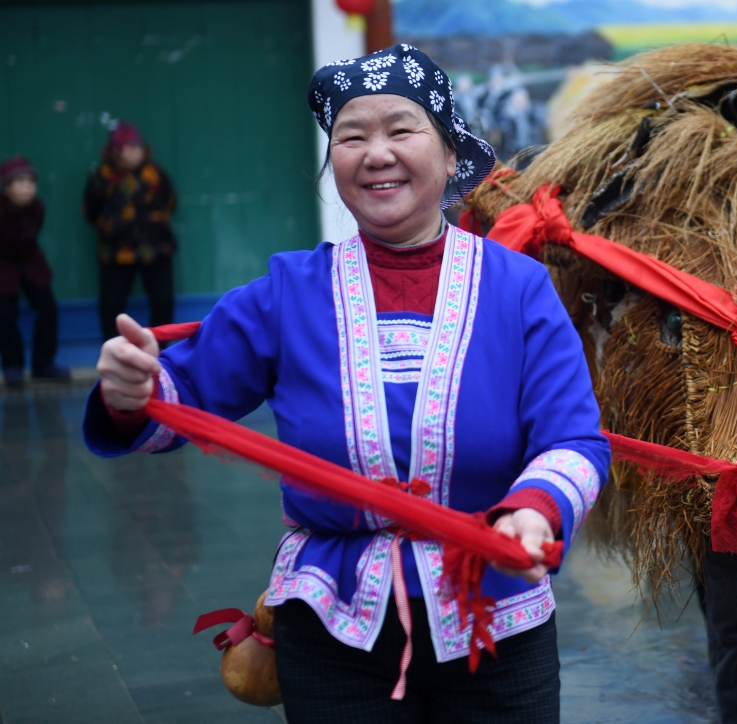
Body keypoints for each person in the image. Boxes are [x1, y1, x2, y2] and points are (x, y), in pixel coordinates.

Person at [83, 44, 610, 722]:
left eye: (400, 128)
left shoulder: (518, 289)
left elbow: (574, 437)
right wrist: (131, 394)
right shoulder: (287, 293)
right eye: (351, 136)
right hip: (333, 625)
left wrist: (535, 509)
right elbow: (175, 397)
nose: (376, 152)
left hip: (494, 617)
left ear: (451, 155)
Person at [83, 121, 178, 341]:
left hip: (156, 248)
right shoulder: (101, 177)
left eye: (139, 147)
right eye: (129, 147)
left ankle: (162, 352)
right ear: (116, 151)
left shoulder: (154, 174)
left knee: (163, 300)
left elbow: (170, 201)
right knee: (112, 303)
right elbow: (90, 211)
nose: (136, 152)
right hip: (116, 252)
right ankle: (114, 349)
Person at [0, 156, 69, 386]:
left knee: (48, 309)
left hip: (30, 260)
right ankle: (12, 366)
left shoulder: (37, 208)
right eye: (18, 183)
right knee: (6, 315)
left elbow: (30, 238)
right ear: (6, 188)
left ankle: (43, 364)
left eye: (30, 182)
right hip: (3, 264)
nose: (26, 188)